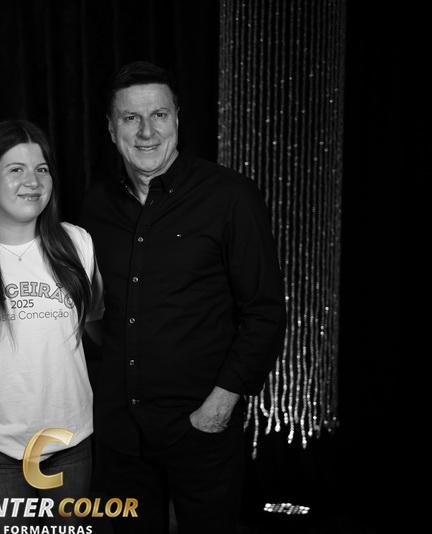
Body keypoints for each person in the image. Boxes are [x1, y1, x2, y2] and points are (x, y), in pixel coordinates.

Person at [81, 61, 287, 534]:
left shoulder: (230, 197)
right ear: (111, 129)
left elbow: (265, 312)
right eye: (131, 118)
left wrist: (219, 407)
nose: (146, 131)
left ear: (177, 119)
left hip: (201, 429)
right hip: (120, 435)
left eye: (159, 115)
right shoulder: (96, 205)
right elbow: (95, 311)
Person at [0, 120, 104, 534]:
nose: (33, 181)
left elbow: (97, 324)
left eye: (41, 169)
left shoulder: (77, 244)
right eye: (16, 169)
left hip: (69, 443)